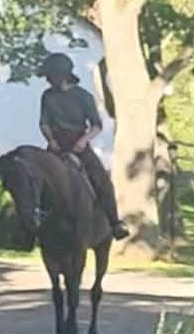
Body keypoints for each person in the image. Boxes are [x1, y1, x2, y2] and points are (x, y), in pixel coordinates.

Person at [38, 52, 129, 240]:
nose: (47, 80)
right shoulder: (47, 96)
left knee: (101, 178)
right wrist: (51, 140)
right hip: (55, 144)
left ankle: (115, 223)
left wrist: (84, 140)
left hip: (78, 142)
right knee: (36, 177)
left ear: (61, 75)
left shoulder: (83, 96)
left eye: (50, 76)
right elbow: (44, 122)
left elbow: (96, 125)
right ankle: (34, 223)